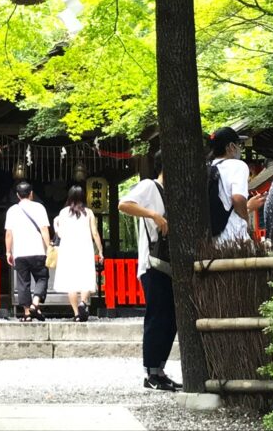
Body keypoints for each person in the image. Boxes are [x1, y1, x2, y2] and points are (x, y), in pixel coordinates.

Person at [118, 151, 181, 391]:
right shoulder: (149, 186)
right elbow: (124, 204)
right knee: (156, 317)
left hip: (170, 265)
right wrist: (153, 214)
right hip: (151, 263)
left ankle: (160, 369)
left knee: (172, 318)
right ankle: (150, 372)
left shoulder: (175, 193)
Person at [52, 185, 104, 322]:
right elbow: (95, 233)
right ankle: (83, 302)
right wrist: (100, 250)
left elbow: (61, 233)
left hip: (68, 250)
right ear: (83, 196)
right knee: (86, 277)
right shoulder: (89, 213)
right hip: (84, 248)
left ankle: (76, 314)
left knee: (71, 282)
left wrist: (55, 225)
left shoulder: (63, 213)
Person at [209, 126, 265, 244]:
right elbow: (237, 198)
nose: (240, 148)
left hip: (214, 238)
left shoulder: (210, 167)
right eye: (239, 145)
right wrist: (245, 217)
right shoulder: (237, 165)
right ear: (231, 147)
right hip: (233, 236)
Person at [4, 180, 51, 321]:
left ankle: (27, 313)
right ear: (31, 194)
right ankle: (35, 303)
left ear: (18, 195)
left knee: (23, 282)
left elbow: (8, 234)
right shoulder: (39, 208)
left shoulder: (12, 210)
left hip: (20, 252)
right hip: (37, 250)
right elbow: (44, 229)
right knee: (42, 277)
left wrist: (8, 252)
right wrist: (48, 247)